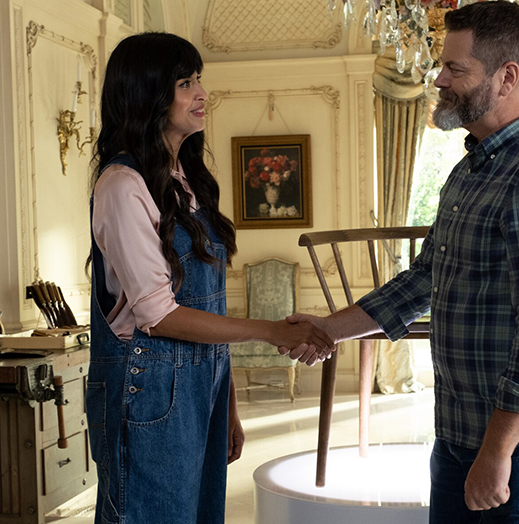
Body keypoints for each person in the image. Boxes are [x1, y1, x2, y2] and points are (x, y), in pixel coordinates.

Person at [287, 1, 519, 523]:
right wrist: (328, 329)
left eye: (455, 68)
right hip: (460, 432)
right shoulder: (471, 168)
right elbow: (424, 279)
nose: (439, 79)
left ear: (507, 78)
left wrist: (496, 453)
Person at [85, 32, 333, 524]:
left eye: (198, 80)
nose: (202, 94)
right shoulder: (122, 185)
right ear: (147, 95)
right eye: (185, 84)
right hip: (150, 393)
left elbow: (208, 306)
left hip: (203, 388)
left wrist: (228, 402)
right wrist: (271, 331)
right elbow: (159, 315)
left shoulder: (187, 180)